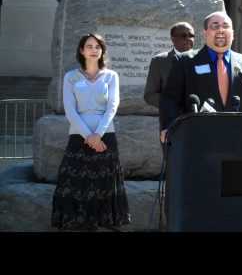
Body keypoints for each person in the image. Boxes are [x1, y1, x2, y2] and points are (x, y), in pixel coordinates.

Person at [51, 33, 131, 231]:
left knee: (104, 182)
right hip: (78, 135)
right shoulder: (71, 77)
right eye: (89, 46)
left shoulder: (112, 76)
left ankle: (103, 223)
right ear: (81, 50)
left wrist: (98, 134)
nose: (93, 49)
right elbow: (70, 109)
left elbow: (113, 106)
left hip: (106, 136)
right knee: (76, 181)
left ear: (102, 50)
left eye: (97, 46)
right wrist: (89, 136)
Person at [160, 11, 242, 142]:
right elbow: (170, 100)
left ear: (233, 34)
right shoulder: (185, 61)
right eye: (215, 26)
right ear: (205, 33)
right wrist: (170, 128)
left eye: (225, 26)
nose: (221, 30)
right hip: (199, 140)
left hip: (241, 141)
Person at [144, 22, 195, 141]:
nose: (188, 39)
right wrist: (172, 103)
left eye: (191, 35)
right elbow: (149, 95)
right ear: (173, 38)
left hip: (197, 121)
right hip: (171, 123)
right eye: (183, 35)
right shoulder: (160, 61)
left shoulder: (202, 59)